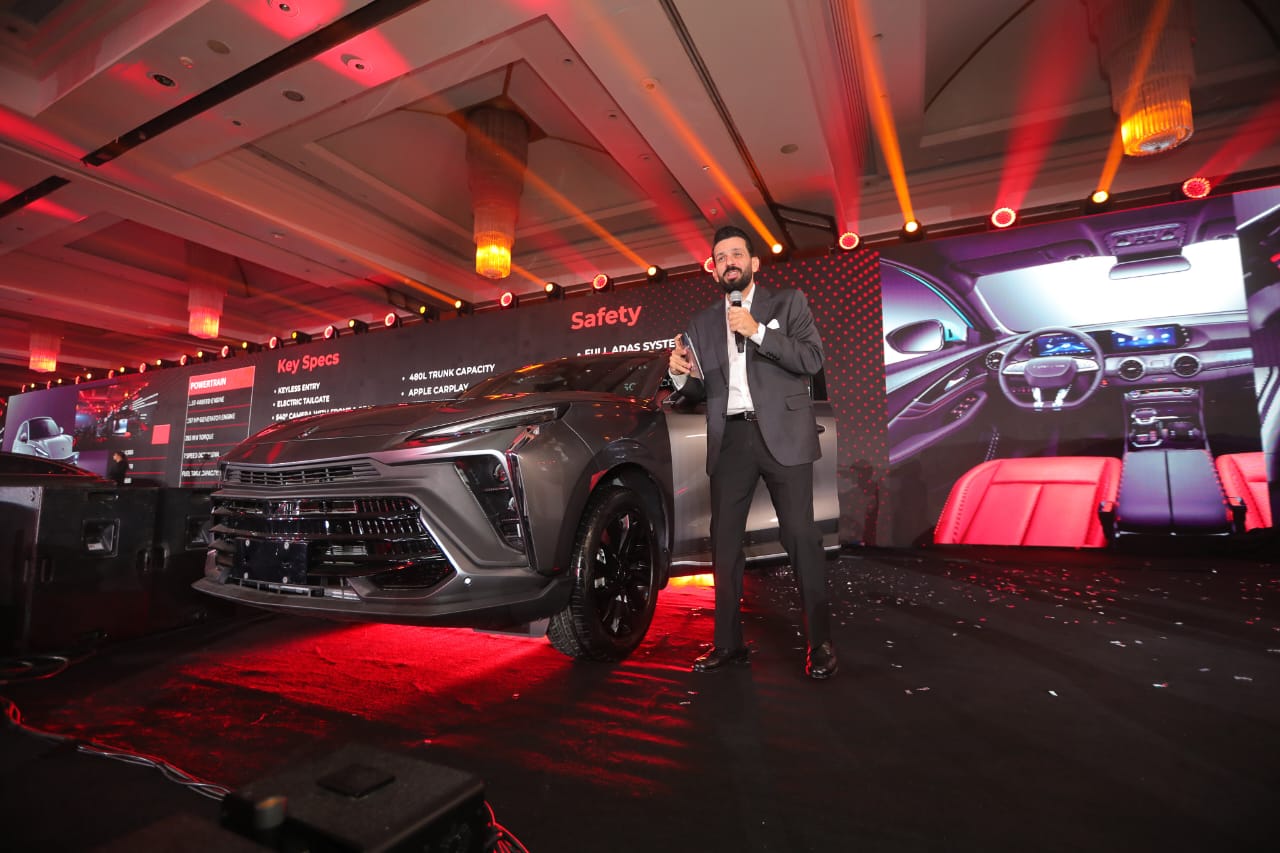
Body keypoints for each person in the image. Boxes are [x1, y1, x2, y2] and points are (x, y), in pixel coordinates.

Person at [668, 224, 837, 680]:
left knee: (800, 536)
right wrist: (681, 374)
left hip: (784, 433)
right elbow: (698, 391)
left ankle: (819, 643)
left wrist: (758, 331)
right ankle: (728, 645)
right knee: (724, 545)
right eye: (721, 257)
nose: (729, 262)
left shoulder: (788, 303)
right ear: (714, 269)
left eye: (736, 254)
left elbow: (811, 360)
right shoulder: (701, 324)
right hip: (732, 439)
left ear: (754, 262)